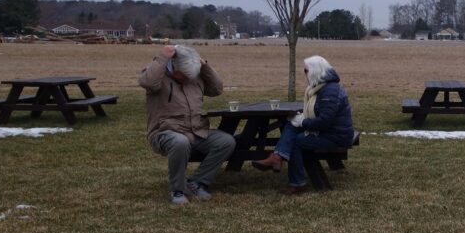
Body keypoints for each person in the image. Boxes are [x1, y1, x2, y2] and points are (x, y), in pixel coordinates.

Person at [139, 44, 235, 205]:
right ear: (173, 65)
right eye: (182, 74)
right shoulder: (158, 76)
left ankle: (197, 182)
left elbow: (217, 89)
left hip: (195, 131)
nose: (186, 78)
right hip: (164, 132)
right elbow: (147, 83)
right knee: (180, 142)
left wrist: (205, 67)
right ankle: (177, 190)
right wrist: (162, 57)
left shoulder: (194, 76)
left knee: (226, 142)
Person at [252, 55, 354, 195]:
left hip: (337, 136)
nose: (305, 74)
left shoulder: (329, 90)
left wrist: (303, 121)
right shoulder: (321, 87)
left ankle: (297, 182)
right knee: (291, 124)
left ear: (315, 71)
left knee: (297, 141)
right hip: (331, 131)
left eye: (306, 71)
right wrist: (299, 119)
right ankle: (277, 157)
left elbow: (325, 122)